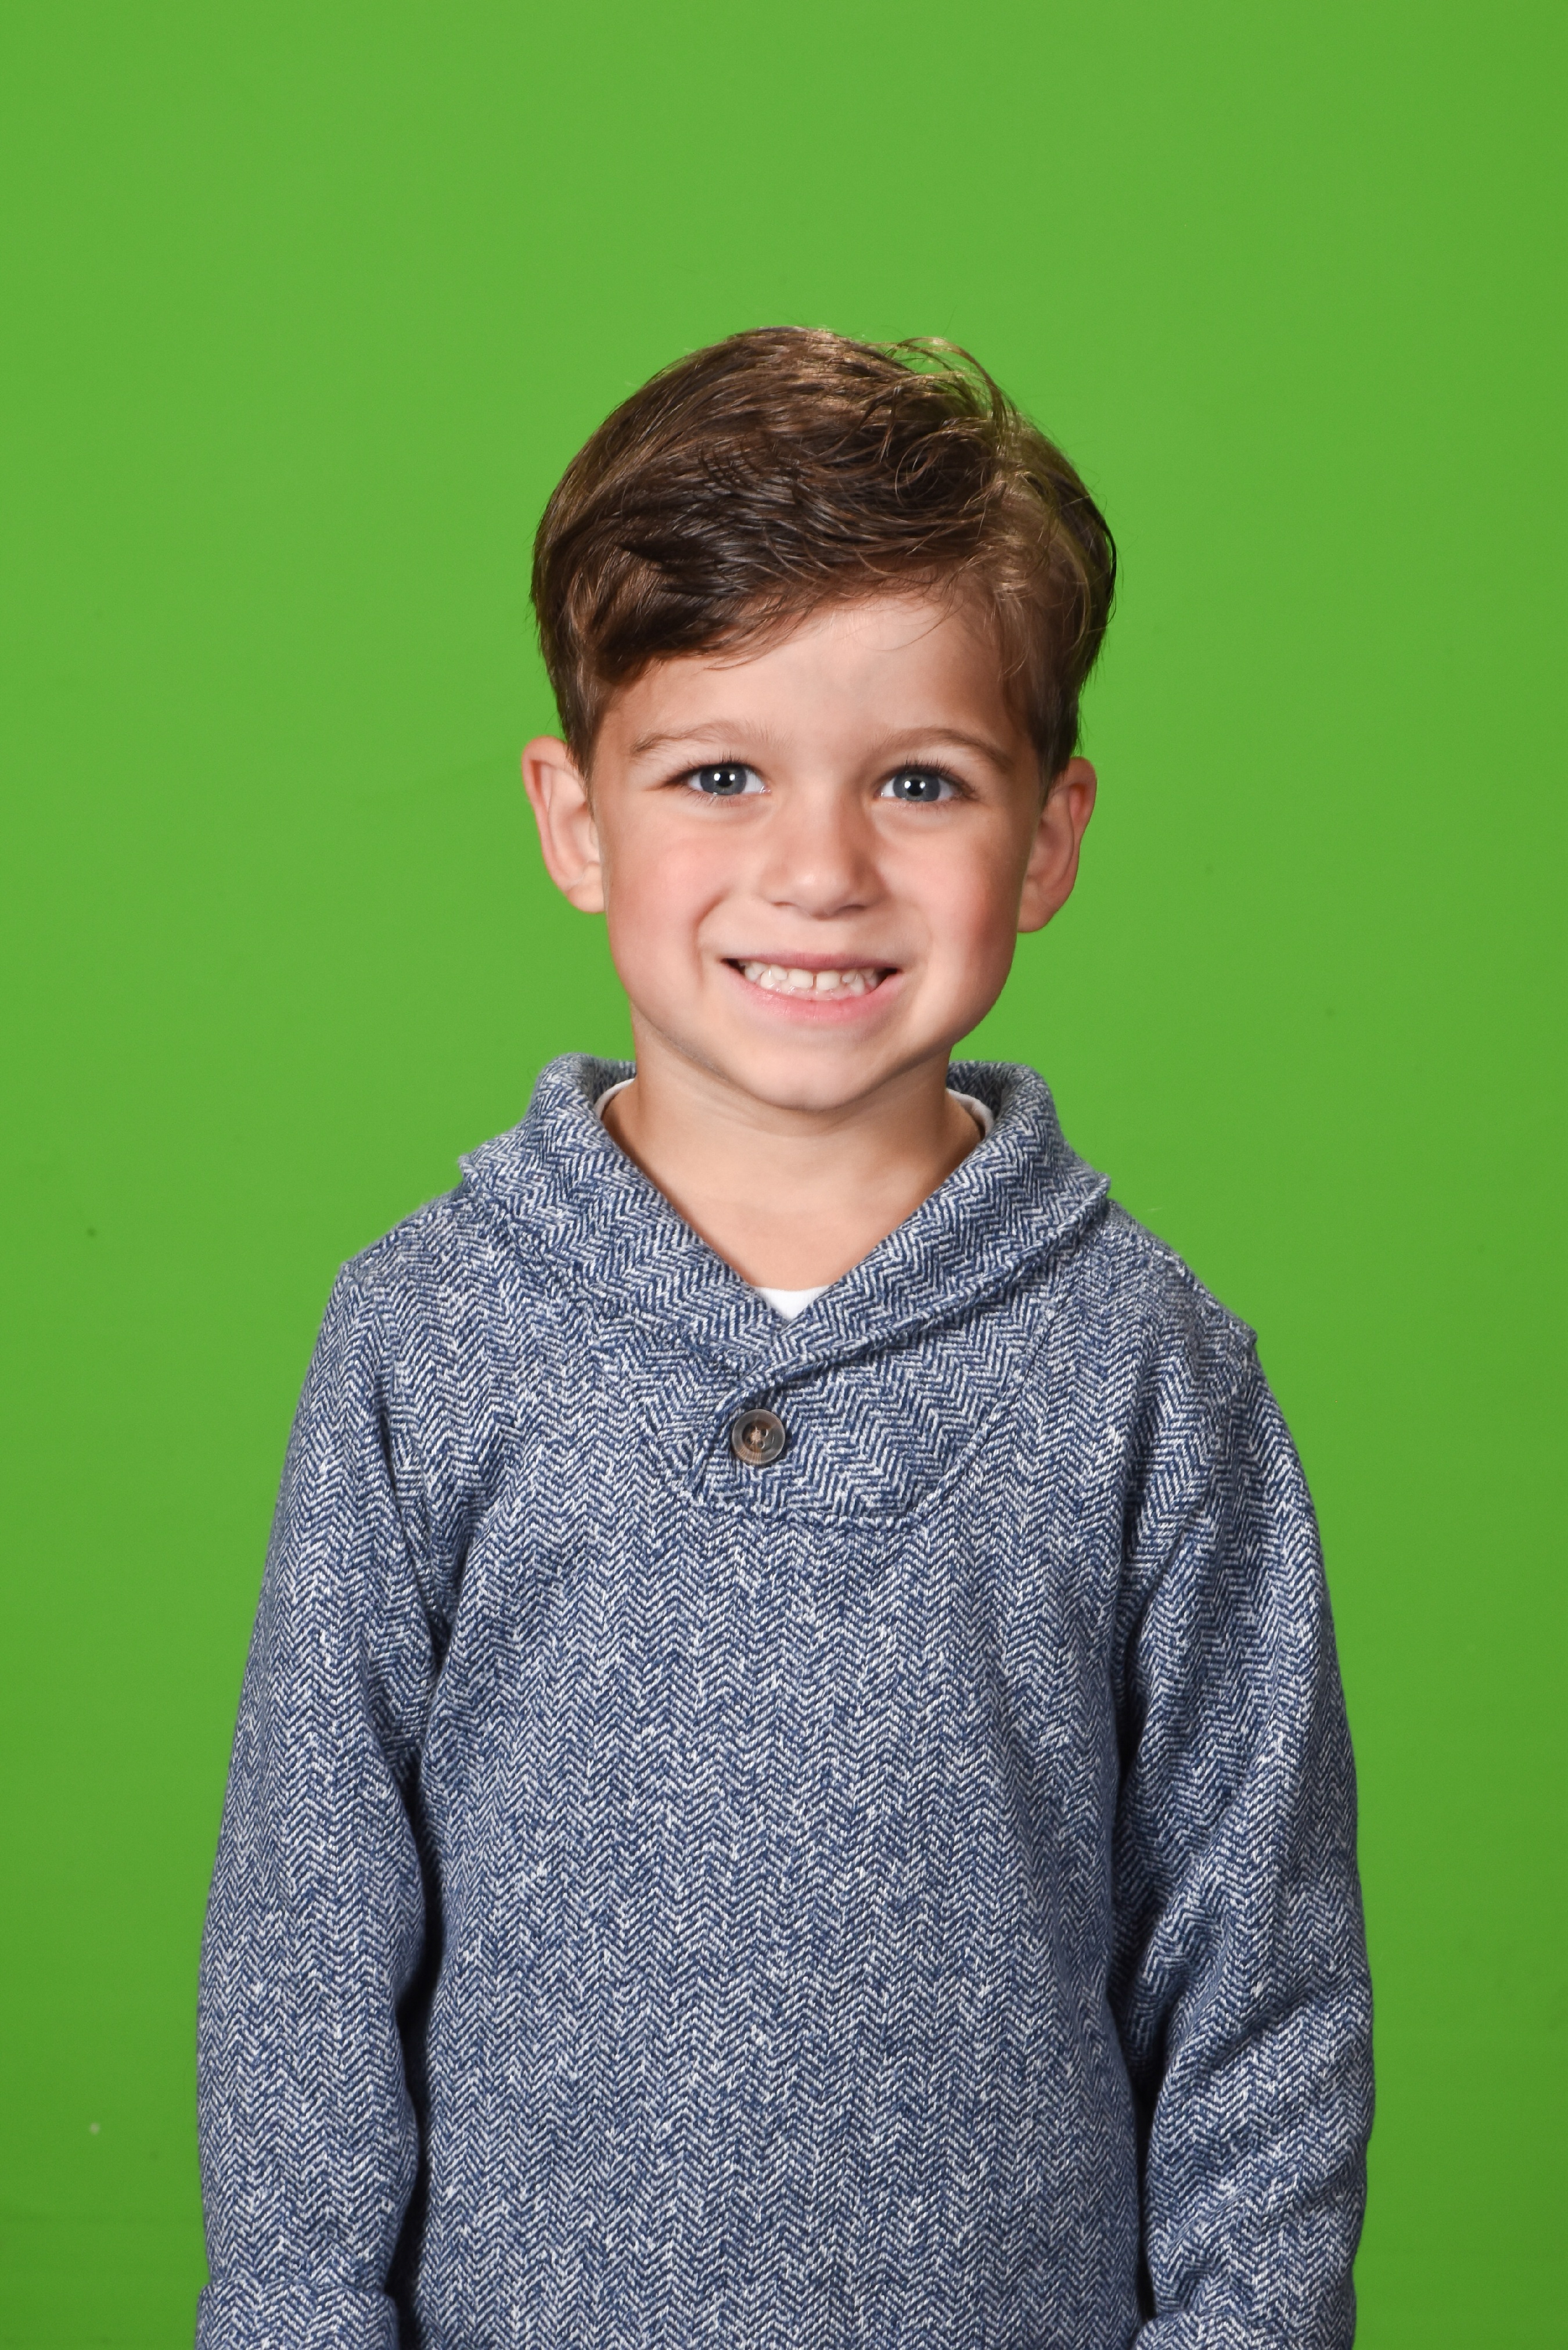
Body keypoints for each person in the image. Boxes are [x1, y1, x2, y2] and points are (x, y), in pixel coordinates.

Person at [196, 329, 1373, 2349]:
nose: (819, 870)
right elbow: (308, 1932)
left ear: (1049, 835)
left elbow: (1258, 1979)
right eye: (718, 775)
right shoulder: (427, 1328)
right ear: (575, 817)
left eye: (919, 781)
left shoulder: (1154, 1375)